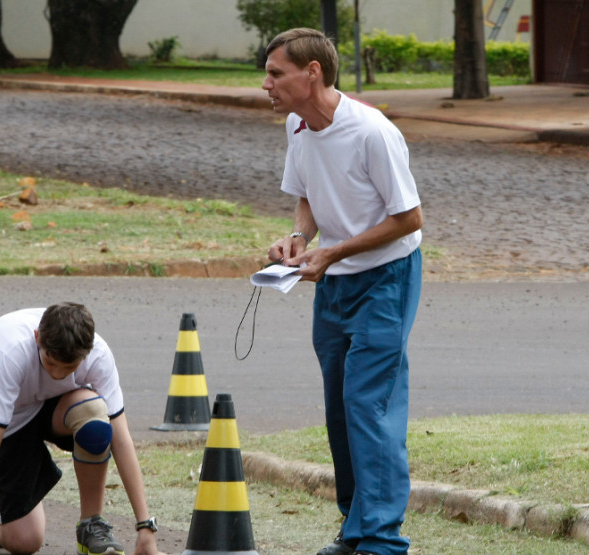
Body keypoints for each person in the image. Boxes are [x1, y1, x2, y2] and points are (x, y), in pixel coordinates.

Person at [263, 29, 423, 555]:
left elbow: (409, 218)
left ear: (312, 74)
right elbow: (307, 195)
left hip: (385, 279)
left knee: (367, 404)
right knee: (339, 407)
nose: (266, 84)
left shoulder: (372, 132)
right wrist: (299, 240)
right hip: (334, 281)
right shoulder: (298, 124)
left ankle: (380, 540)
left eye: (275, 73)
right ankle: (354, 527)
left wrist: (333, 252)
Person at [0, 303, 167, 555]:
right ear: (37, 339)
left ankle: (91, 526)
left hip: (59, 408)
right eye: (50, 362)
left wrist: (145, 528)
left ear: (85, 354)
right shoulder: (8, 349)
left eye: (70, 368)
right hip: (12, 421)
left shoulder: (98, 354)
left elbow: (121, 441)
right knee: (25, 542)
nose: (57, 374)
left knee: (96, 418)